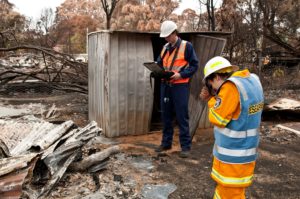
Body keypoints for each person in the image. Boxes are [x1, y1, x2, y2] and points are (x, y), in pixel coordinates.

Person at [199, 56, 264, 199]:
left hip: (233, 158)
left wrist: (211, 99)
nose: (215, 90)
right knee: (233, 193)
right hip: (246, 154)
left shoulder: (230, 87)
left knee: (229, 194)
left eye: (211, 85)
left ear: (215, 77)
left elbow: (217, 118)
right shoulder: (252, 80)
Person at [155, 20, 199, 158]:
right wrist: (156, 69)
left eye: (168, 36)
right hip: (166, 85)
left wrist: (180, 75)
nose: (166, 38)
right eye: (165, 37)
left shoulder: (187, 46)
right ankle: (166, 143)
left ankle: (185, 147)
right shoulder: (165, 48)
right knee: (166, 115)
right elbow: (159, 63)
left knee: (182, 116)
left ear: (175, 33)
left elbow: (194, 65)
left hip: (180, 86)